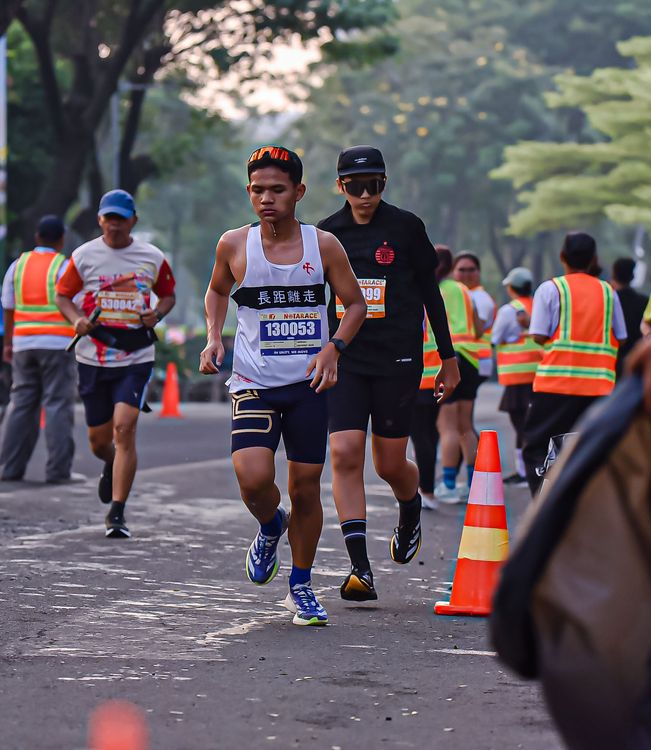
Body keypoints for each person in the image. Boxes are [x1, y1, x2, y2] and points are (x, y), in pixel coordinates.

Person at [199, 145, 366, 626]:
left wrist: (334, 348)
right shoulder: (234, 244)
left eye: (277, 189)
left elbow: (355, 304)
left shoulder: (324, 245)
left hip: (308, 386)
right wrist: (214, 336)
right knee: (253, 479)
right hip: (254, 383)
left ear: (299, 191)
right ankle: (271, 525)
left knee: (306, 488)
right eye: (257, 190)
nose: (266, 199)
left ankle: (301, 586)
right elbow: (217, 290)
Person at [317, 145, 460, 602]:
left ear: (385, 183)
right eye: (356, 186)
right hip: (347, 359)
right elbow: (316, 300)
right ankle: (360, 568)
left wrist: (448, 358)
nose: (365, 195)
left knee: (389, 464)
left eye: (374, 185)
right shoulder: (327, 233)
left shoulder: (406, 227)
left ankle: (410, 506)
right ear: (340, 186)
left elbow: (431, 294)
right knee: (344, 453)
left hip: (398, 358)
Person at [55, 190, 176, 537]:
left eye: (121, 219)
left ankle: (117, 513)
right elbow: (62, 295)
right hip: (93, 356)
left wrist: (157, 314)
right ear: (100, 220)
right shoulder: (84, 255)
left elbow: (168, 295)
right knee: (98, 441)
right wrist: (76, 319)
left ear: (133, 221)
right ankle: (111, 463)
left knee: (124, 429)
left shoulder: (151, 256)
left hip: (135, 356)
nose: (115, 225)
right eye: (109, 219)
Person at [521, 232, 627, 496]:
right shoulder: (608, 292)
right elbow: (621, 336)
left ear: (562, 256)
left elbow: (538, 334)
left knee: (539, 448)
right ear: (594, 259)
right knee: (593, 450)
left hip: (556, 385)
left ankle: (545, 506)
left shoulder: (551, 289)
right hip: (599, 388)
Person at [0, 216, 77, 482]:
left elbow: (8, 307)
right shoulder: (64, 267)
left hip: (23, 345)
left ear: (37, 237)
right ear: (61, 240)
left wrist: (9, 343)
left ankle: (10, 468)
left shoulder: (17, 266)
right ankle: (58, 471)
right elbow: (75, 305)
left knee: (21, 403)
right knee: (57, 404)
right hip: (57, 345)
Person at [432, 247, 481, 504]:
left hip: (449, 359)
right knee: (465, 426)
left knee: (447, 427)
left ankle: (449, 484)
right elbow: (478, 325)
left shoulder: (434, 289)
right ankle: (474, 483)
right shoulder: (463, 290)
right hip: (470, 359)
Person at [491, 266, 543, 486]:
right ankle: (528, 469)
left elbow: (495, 338)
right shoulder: (539, 307)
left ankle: (524, 472)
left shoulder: (508, 311)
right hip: (539, 376)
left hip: (516, 378)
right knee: (532, 424)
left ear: (512, 288)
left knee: (521, 425)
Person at [453, 252, 496, 382]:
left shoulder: (480, 297)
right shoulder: (458, 295)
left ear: (479, 272)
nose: (467, 274)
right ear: (453, 272)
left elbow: (477, 330)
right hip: (465, 359)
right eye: (462, 270)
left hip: (473, 359)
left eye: (471, 270)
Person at [610, 257, 648, 378]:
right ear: (632, 276)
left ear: (613, 274)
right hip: (635, 363)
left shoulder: (607, 300)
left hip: (610, 362)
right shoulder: (644, 302)